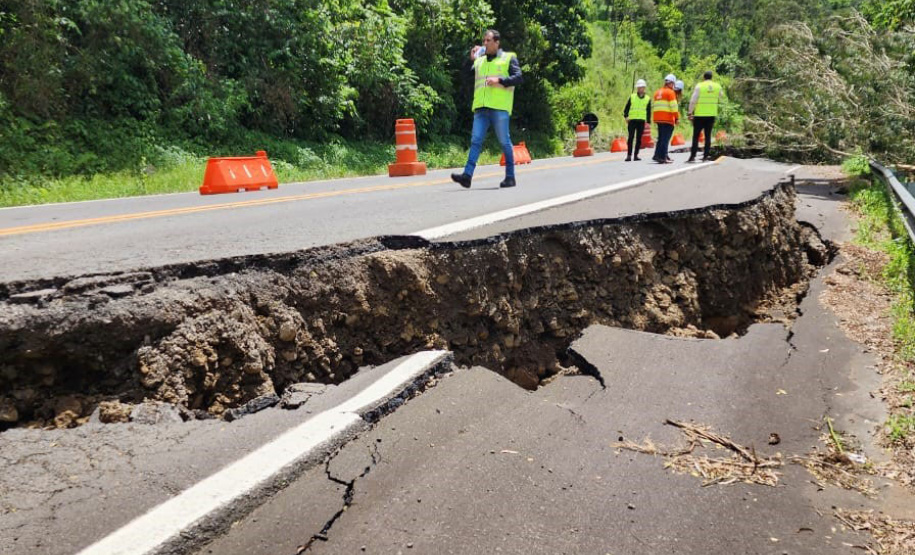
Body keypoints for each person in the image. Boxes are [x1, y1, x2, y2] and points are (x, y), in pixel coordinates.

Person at [451, 29, 523, 189]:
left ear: (497, 43)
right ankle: (467, 176)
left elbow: (519, 77)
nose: (485, 43)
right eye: (484, 40)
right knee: (475, 141)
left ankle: (510, 177)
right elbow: (465, 77)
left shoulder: (508, 58)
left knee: (505, 142)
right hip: (481, 108)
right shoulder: (479, 61)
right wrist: (470, 60)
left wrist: (500, 80)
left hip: (499, 108)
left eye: (488, 40)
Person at [687, 70, 724, 163]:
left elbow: (693, 100)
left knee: (696, 136)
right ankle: (705, 156)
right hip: (711, 115)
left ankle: (692, 156)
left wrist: (690, 112)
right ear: (712, 77)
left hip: (699, 115)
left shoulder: (700, 86)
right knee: (708, 136)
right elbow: (722, 96)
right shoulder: (717, 86)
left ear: (704, 77)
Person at [651, 74, 679, 164]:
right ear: (671, 83)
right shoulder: (670, 92)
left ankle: (657, 155)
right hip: (667, 119)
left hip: (658, 118)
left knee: (661, 138)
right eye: (673, 84)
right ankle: (663, 157)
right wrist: (677, 118)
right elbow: (674, 107)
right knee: (665, 139)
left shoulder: (657, 92)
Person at [623, 79, 651, 162]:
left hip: (641, 121)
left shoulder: (647, 98)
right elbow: (626, 108)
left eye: (641, 87)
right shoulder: (632, 97)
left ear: (644, 88)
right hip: (632, 121)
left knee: (639, 139)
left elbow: (648, 111)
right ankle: (629, 155)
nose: (640, 89)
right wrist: (626, 116)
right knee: (631, 138)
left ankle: (636, 155)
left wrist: (648, 122)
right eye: (638, 87)